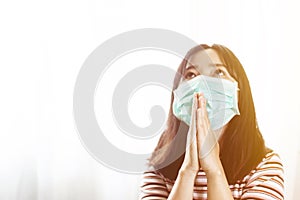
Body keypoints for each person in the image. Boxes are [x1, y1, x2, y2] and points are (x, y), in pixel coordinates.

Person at [139, 44, 284, 200]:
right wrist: (187, 171)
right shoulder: (161, 164)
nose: (203, 82)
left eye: (218, 72)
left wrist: (214, 169)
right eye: (191, 74)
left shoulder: (263, 163)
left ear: (239, 89)